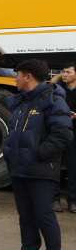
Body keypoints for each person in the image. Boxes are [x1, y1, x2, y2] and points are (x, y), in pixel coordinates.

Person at [4, 59, 73, 250]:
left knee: (44, 213)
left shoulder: (53, 100)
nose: (15, 79)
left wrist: (38, 155)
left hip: (41, 168)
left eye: (18, 74)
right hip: (19, 167)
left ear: (28, 76)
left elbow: (63, 134)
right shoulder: (21, 102)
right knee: (25, 213)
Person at [52, 60, 76, 213]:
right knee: (54, 169)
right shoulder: (58, 89)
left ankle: (72, 201)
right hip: (58, 133)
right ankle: (54, 200)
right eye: (63, 71)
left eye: (68, 72)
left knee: (73, 169)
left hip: (74, 135)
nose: (64, 74)